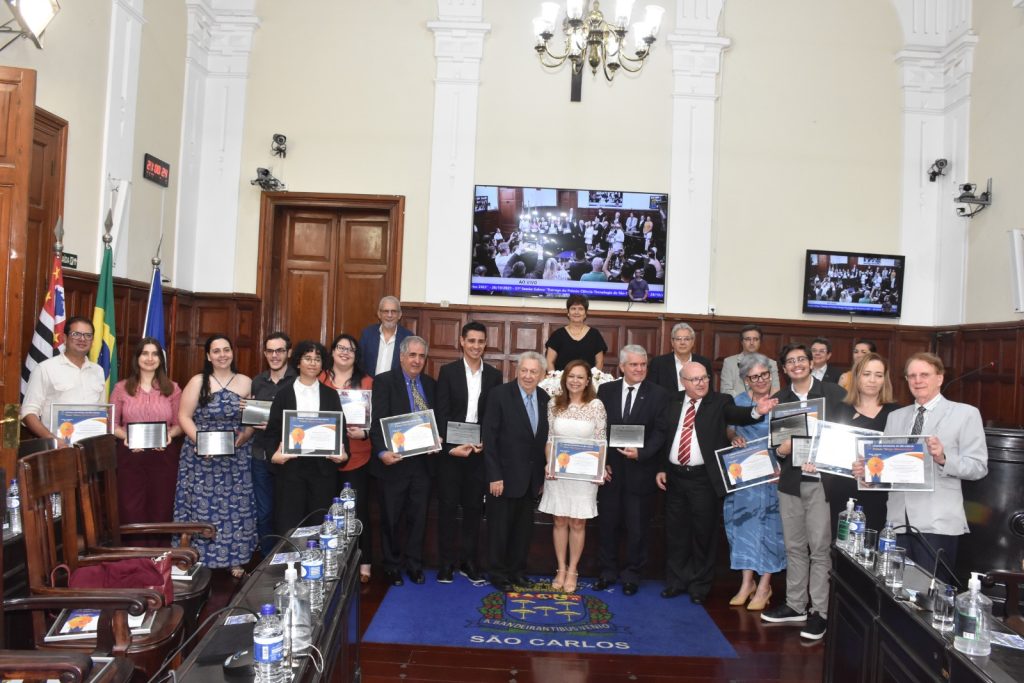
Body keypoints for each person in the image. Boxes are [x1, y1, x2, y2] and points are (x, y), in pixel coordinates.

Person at [656, 362, 775, 604]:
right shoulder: (672, 401)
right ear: (684, 382)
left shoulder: (721, 401)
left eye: (705, 378)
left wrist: (756, 411)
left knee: (703, 534)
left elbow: (738, 415)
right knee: (676, 533)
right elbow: (664, 434)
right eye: (695, 380)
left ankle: (699, 586)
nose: (701, 383)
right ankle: (676, 582)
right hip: (676, 478)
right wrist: (661, 467)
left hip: (704, 480)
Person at [760, 344, 846, 641]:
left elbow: (844, 434)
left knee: (820, 548)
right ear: (783, 369)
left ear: (811, 363)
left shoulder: (834, 394)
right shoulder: (779, 400)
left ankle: (819, 611)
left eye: (801, 359)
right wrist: (781, 449)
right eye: (790, 362)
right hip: (791, 482)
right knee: (794, 546)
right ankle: (796, 604)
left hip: (822, 481)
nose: (796, 365)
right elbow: (775, 444)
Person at [875, 352, 987, 577]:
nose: (918, 381)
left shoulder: (965, 414)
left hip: (937, 523)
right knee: (893, 593)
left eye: (924, 374)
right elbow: (885, 466)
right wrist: (869, 471)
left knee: (930, 597)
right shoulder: (895, 417)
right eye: (912, 376)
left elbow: (978, 467)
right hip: (897, 521)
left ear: (940, 378)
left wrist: (944, 458)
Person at [174, 334, 257, 578]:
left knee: (236, 510)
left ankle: (236, 559)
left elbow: (252, 418)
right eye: (216, 351)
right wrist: (202, 443)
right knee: (201, 509)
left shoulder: (245, 382)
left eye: (226, 350)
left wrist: (246, 435)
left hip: (236, 457)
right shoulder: (198, 381)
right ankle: (198, 558)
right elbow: (184, 417)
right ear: (208, 356)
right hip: (201, 459)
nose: (222, 355)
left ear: (232, 353)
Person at [594, 345, 670, 595]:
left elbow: (661, 431)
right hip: (611, 471)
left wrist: (643, 452)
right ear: (622, 367)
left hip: (642, 471)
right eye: (634, 365)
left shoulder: (659, 394)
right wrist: (600, 459)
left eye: (643, 364)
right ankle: (607, 572)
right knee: (607, 526)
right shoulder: (606, 391)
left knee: (637, 530)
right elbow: (599, 428)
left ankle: (632, 576)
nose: (639, 369)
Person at [434, 321, 503, 583]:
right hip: (452, 454)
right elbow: (442, 413)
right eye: (471, 340)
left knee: (474, 511)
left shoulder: (494, 376)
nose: (476, 346)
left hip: (478, 454)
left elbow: (493, 416)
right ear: (462, 341)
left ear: (485, 344)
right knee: (448, 510)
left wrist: (485, 440)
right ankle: (446, 564)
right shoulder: (448, 372)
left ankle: (469, 562)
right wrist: (452, 448)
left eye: (480, 341)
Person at [370, 336, 438, 586]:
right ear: (401, 356)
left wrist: (436, 438)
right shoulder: (384, 382)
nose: (417, 360)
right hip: (393, 462)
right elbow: (376, 421)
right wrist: (381, 452)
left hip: (423, 464)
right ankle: (391, 566)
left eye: (421, 356)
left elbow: (435, 419)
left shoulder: (430, 384)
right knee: (391, 517)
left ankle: (414, 564)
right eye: (412, 355)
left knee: (418, 518)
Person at [722, 353, 786, 612]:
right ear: (746, 380)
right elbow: (728, 428)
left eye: (764, 374)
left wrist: (782, 464)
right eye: (754, 376)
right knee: (742, 527)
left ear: (771, 374)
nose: (760, 380)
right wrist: (734, 435)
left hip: (773, 475)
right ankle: (747, 582)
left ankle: (765, 586)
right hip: (744, 476)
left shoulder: (783, 402)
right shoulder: (737, 402)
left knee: (770, 529)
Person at [264, 340, 348, 536]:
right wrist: (272, 455)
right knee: (289, 526)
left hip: (322, 472)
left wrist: (343, 454)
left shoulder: (331, 395)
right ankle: (290, 566)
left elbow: (340, 430)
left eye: (317, 359)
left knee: (320, 526)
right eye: (307, 358)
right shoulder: (283, 395)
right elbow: (272, 432)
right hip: (291, 471)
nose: (312, 363)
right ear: (298, 362)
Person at [537, 360, 607, 594]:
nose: (575, 381)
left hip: (585, 474)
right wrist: (549, 464)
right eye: (571, 376)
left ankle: (573, 570)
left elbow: (601, 441)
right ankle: (560, 567)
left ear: (588, 381)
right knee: (559, 520)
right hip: (559, 472)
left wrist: (600, 469)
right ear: (564, 379)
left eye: (580, 377)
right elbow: (549, 439)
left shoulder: (596, 405)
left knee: (578, 521)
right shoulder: (554, 404)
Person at [484, 351, 549, 592]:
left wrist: (541, 477)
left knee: (523, 531)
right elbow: (489, 438)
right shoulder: (499, 395)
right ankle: (498, 573)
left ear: (541, 375)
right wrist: (494, 475)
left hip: (531, 480)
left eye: (534, 372)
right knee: (500, 529)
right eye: (524, 370)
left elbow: (541, 440)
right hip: (503, 478)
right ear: (517, 371)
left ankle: (517, 571)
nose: (528, 376)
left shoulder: (544, 398)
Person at [109, 337, 182, 535]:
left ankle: (160, 558)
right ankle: (134, 559)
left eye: (155, 354)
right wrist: (126, 436)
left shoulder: (173, 389)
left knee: (162, 508)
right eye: (145, 353)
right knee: (131, 509)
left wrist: (168, 435)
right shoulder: (121, 388)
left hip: (163, 457)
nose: (150, 358)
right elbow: (112, 423)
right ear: (137, 357)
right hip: (131, 457)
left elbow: (179, 424)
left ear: (161, 359)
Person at [322, 332, 375, 583]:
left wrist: (365, 432)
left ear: (356, 355)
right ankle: (329, 560)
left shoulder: (367, 382)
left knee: (357, 511)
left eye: (351, 349)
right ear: (332, 352)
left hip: (357, 454)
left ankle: (363, 561)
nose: (345, 352)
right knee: (326, 510)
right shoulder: (319, 378)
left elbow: (377, 418)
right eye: (341, 347)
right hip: (323, 455)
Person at [829, 351, 897, 533]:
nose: (872, 380)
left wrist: (873, 475)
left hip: (879, 494)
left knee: (872, 548)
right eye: (866, 374)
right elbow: (831, 452)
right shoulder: (840, 409)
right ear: (857, 377)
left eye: (878, 375)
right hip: (843, 490)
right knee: (842, 548)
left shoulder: (896, 413)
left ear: (885, 380)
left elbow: (901, 456)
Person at [247, 331, 296, 557]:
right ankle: (267, 560)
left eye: (279, 351)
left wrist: (276, 425)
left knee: (287, 512)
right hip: (260, 455)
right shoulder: (257, 381)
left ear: (289, 352)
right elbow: (252, 417)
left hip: (289, 456)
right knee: (264, 512)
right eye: (270, 351)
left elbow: (305, 419)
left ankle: (287, 559)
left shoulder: (298, 381)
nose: (274, 356)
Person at [21, 316, 106, 439]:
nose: (82, 339)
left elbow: (101, 411)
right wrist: (53, 440)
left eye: (88, 335)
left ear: (92, 341)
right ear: (65, 338)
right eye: (76, 334)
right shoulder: (45, 369)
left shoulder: (98, 371)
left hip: (91, 447)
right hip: (57, 448)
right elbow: (28, 413)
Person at [544, 294, 607, 372]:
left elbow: (599, 362)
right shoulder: (558, 335)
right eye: (573, 308)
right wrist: (555, 380)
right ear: (568, 313)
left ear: (585, 314)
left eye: (581, 309)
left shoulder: (595, 335)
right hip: (562, 382)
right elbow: (549, 361)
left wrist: (592, 381)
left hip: (587, 382)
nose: (576, 312)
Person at [648, 322, 714, 396]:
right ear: (672, 342)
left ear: (692, 342)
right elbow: (651, 391)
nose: (682, 342)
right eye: (678, 339)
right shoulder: (658, 363)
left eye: (687, 339)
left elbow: (709, 391)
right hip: (666, 405)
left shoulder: (703, 363)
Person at [719, 325, 781, 397]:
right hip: (738, 406)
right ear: (742, 342)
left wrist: (761, 403)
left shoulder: (771, 363)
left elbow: (776, 390)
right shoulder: (729, 362)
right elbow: (726, 391)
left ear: (760, 342)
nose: (752, 342)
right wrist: (746, 400)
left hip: (765, 404)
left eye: (755, 339)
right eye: (748, 339)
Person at [358, 296, 413, 376]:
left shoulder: (408, 337)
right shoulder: (367, 334)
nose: (389, 315)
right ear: (379, 314)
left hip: (394, 387)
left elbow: (410, 367)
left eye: (393, 311)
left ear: (400, 315)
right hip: (370, 385)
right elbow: (359, 361)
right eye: (385, 311)